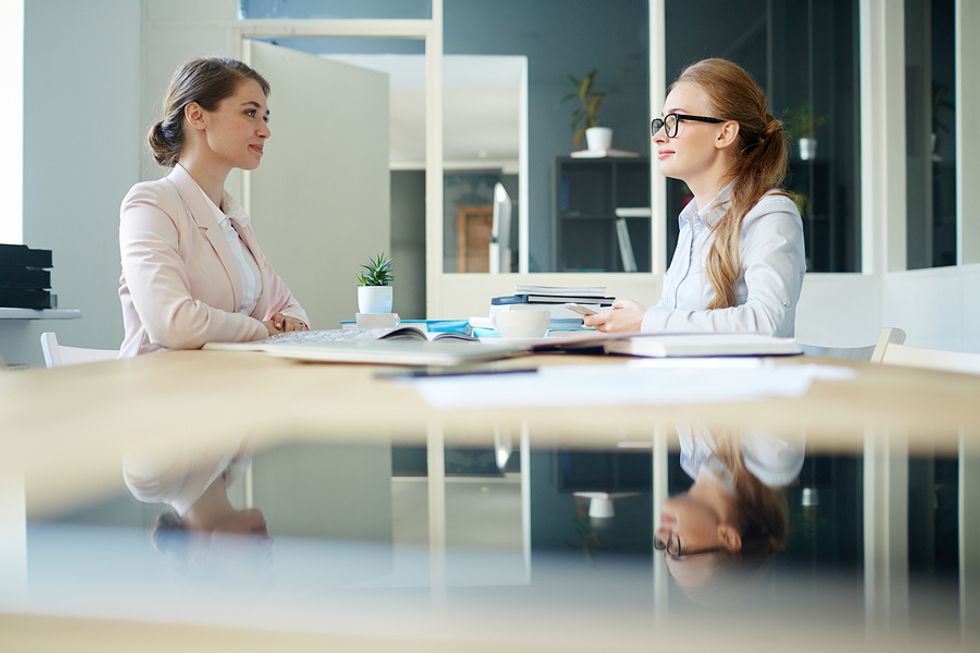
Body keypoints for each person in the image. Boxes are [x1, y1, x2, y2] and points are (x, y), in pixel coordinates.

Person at [585, 58, 805, 337]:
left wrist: (648, 322)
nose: (660, 137)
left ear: (724, 133)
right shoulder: (693, 224)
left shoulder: (770, 215)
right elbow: (679, 322)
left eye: (675, 120)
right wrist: (630, 323)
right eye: (661, 122)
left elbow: (767, 324)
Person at [118, 57, 310, 357]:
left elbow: (293, 312)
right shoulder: (151, 204)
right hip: (160, 391)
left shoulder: (233, 220)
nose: (264, 131)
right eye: (250, 113)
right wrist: (262, 329)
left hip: (227, 386)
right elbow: (174, 324)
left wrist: (274, 325)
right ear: (197, 115)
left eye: (265, 118)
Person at [655, 427, 803, 597]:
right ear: (727, 537)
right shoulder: (772, 460)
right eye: (676, 548)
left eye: (662, 546)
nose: (661, 535)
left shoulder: (692, 455)